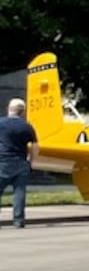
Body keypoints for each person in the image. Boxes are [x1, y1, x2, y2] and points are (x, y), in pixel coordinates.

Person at [0, 97, 38, 228]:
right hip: (21, 162)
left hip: (3, 161)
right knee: (19, 192)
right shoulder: (27, 127)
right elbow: (35, 147)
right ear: (22, 112)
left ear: (9, 109)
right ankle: (18, 220)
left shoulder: (1, 123)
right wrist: (31, 162)